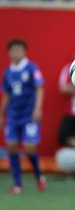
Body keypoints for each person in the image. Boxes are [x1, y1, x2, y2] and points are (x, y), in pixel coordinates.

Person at [0, 39, 46, 194]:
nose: (16, 52)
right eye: (13, 50)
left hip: (29, 114)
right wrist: (1, 114)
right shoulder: (7, 72)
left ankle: (39, 175)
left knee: (29, 147)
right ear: (9, 53)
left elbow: (39, 88)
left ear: (24, 51)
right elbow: (6, 94)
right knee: (11, 146)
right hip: (13, 115)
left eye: (19, 49)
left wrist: (37, 109)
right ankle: (17, 184)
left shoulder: (32, 68)